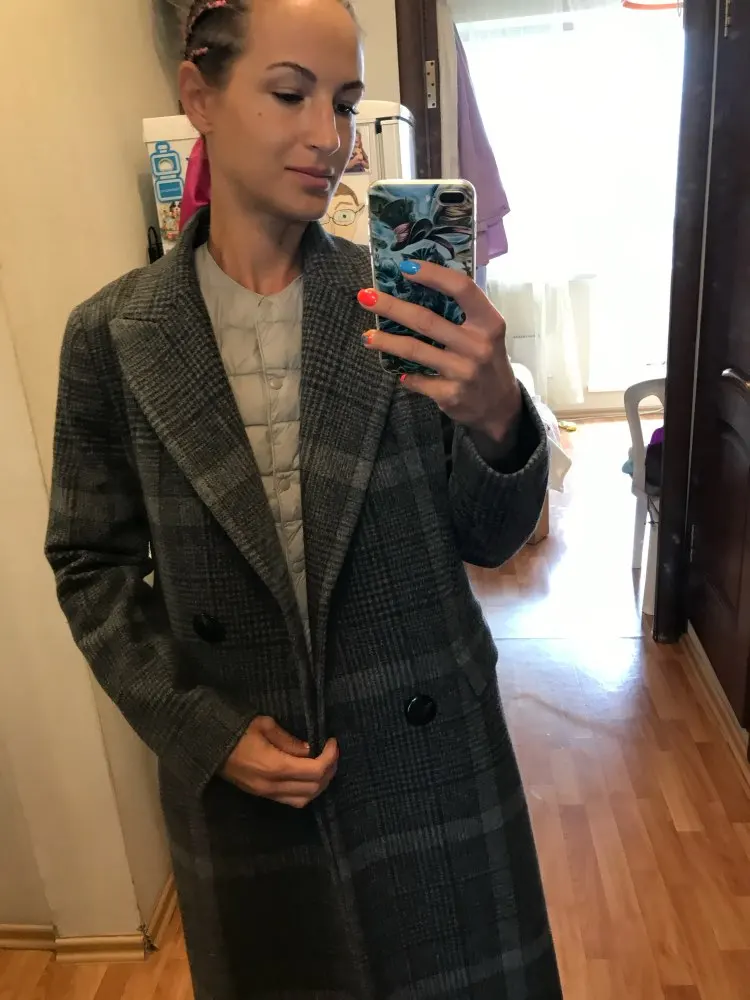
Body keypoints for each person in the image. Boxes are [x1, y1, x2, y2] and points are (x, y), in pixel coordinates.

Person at [45, 0, 562, 997]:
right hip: (252, 791)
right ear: (198, 93)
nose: (330, 137)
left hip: (431, 777)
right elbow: (90, 566)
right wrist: (203, 729)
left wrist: (500, 413)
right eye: (290, 94)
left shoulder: (398, 304)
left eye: (345, 101)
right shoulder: (112, 338)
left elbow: (492, 538)